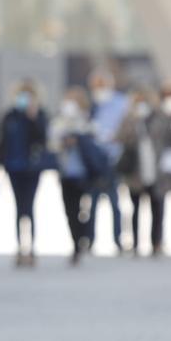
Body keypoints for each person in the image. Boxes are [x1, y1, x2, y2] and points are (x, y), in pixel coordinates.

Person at [117, 91, 171, 257]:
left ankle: (156, 243)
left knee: (157, 207)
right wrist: (134, 123)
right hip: (136, 170)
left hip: (157, 169)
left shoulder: (161, 118)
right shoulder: (130, 119)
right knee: (135, 208)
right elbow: (121, 137)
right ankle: (136, 243)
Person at [0, 80, 50, 267]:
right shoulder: (10, 115)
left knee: (30, 207)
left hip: (32, 167)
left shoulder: (39, 115)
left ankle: (32, 248)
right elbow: (2, 141)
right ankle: (20, 247)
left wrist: (33, 118)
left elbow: (43, 139)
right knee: (18, 208)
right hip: (13, 167)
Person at [51, 87, 105, 266]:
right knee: (71, 210)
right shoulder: (60, 121)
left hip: (85, 173)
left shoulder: (88, 120)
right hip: (67, 173)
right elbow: (52, 142)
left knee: (87, 209)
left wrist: (79, 137)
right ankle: (76, 243)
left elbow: (96, 138)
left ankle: (86, 237)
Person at [89, 68, 131, 253]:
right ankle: (88, 240)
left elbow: (128, 127)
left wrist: (117, 136)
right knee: (92, 203)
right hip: (94, 159)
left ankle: (118, 239)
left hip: (114, 157)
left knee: (115, 202)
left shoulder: (121, 103)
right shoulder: (92, 105)